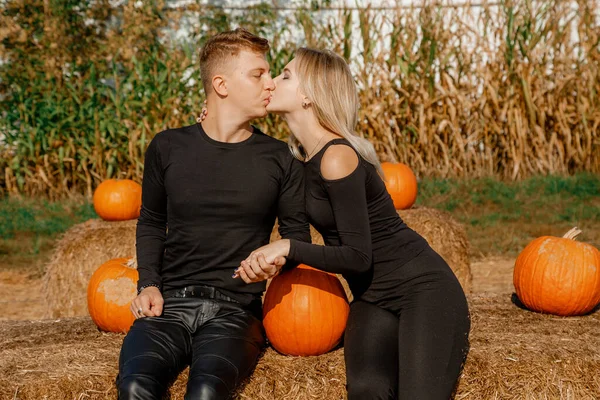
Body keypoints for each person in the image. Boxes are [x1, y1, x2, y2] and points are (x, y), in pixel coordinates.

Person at [234, 48, 471, 399]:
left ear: (307, 95)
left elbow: (359, 256)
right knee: (366, 390)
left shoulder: (337, 156)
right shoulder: (297, 160)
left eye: (284, 74)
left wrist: (286, 246)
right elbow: (296, 238)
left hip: (423, 290)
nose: (271, 82)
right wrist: (270, 262)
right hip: (371, 298)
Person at [116, 28, 310, 400]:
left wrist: (277, 262)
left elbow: (296, 237)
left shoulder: (281, 158)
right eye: (258, 74)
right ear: (221, 84)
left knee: (206, 393)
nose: (270, 83)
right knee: (135, 386)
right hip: (169, 307)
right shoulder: (168, 146)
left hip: (236, 312)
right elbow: (153, 222)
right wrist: (149, 284)